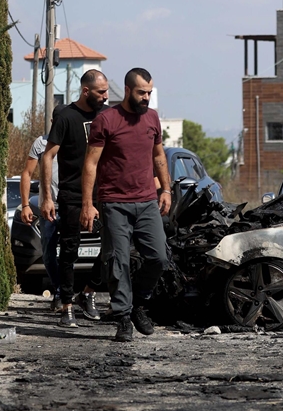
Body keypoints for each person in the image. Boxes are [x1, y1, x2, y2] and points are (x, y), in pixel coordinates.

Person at [81, 67, 171, 342]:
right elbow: (90, 163)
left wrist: (166, 189)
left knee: (159, 257)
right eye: (142, 93)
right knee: (117, 261)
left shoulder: (152, 118)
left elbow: (159, 156)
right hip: (114, 203)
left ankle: (138, 303)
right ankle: (122, 318)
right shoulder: (106, 120)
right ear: (128, 90)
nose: (147, 98)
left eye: (150, 93)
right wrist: (88, 203)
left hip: (147, 201)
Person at [40, 69, 109, 328]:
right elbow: (48, 156)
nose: (105, 96)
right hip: (72, 194)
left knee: (113, 247)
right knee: (69, 251)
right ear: (86, 91)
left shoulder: (107, 115)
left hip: (103, 194)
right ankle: (67, 305)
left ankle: (88, 292)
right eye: (101, 92)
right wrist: (47, 198)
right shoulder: (66, 116)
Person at [20, 104, 67, 311]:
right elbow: (27, 173)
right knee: (48, 253)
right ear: (53, 122)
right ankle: (58, 289)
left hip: (71, 205)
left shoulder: (76, 141)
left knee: (70, 252)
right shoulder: (41, 143)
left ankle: (67, 294)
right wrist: (25, 205)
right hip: (48, 208)